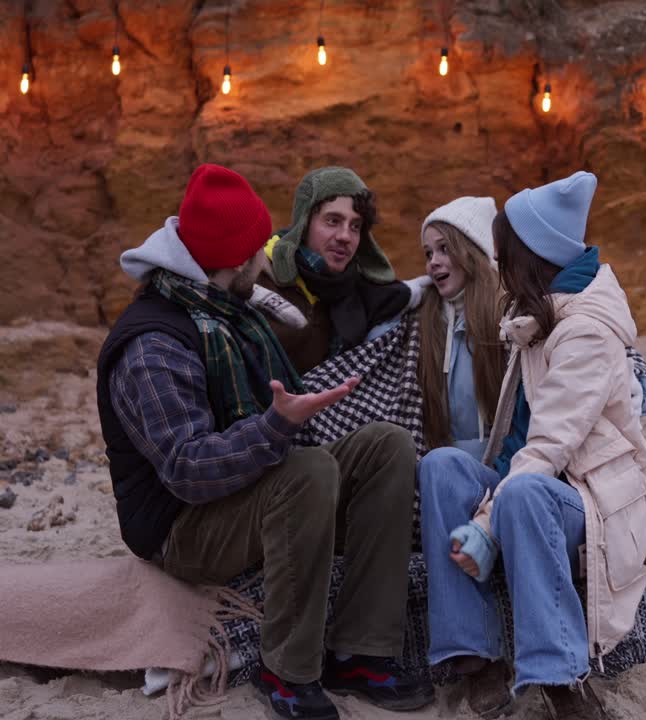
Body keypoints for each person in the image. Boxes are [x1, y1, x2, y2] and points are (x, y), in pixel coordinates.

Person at [96, 164, 434, 720]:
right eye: (258, 246)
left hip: (248, 492)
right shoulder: (154, 343)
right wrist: (277, 426)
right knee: (308, 472)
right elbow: (187, 468)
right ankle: (289, 670)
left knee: (386, 446)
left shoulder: (227, 309)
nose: (266, 256)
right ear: (233, 258)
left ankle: (360, 652)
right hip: (181, 527)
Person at [418, 171, 646, 720]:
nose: (499, 270)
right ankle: (473, 658)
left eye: (504, 258)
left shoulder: (585, 330)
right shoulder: (537, 316)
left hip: (593, 496)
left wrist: (485, 526)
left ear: (529, 258)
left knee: (525, 495)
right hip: (542, 478)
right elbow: (515, 440)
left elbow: (549, 448)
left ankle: (563, 678)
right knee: (442, 467)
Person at [260, 166, 428, 373]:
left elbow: (397, 295)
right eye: (333, 221)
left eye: (355, 226)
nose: (345, 236)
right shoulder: (260, 280)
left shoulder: (358, 291)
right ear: (304, 222)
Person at [415, 197, 506, 460]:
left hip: (506, 464)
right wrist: (397, 296)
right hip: (441, 468)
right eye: (428, 253)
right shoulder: (422, 319)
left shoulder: (509, 315)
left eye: (444, 248)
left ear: (473, 251)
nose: (433, 261)